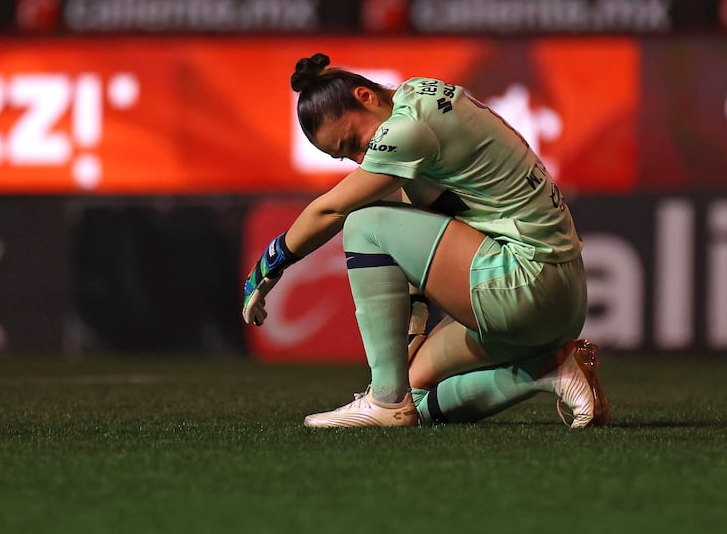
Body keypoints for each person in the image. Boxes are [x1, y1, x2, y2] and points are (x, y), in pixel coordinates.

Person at [242, 53, 609, 429]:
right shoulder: (417, 97)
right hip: (562, 296)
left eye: (354, 141)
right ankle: (551, 371)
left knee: (361, 223)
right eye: (346, 157)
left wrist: (268, 267)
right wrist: (415, 318)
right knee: (412, 394)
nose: (359, 157)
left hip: (526, 284)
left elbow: (328, 211)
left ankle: (383, 400)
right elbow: (429, 225)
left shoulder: (405, 131)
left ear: (366, 97)